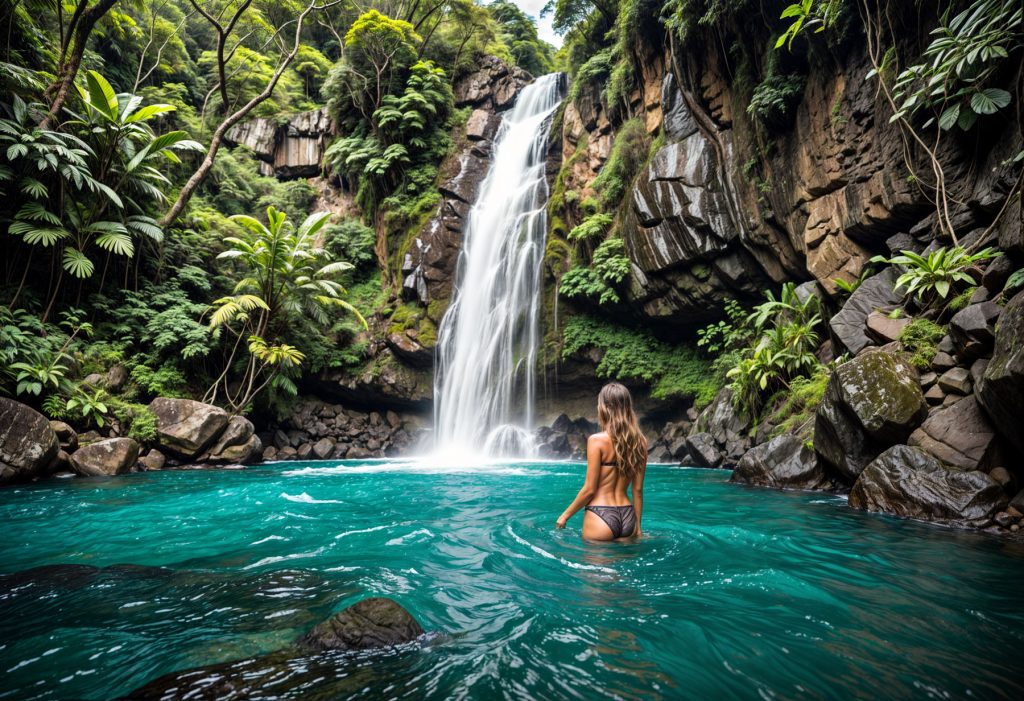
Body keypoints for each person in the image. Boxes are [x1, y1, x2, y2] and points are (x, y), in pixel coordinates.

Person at [555, 382, 647, 541]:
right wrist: (638, 526)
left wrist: (565, 516)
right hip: (627, 516)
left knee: (594, 566)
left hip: (600, 514)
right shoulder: (641, 442)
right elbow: (637, 490)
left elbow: (590, 489)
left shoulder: (596, 441)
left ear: (605, 407)